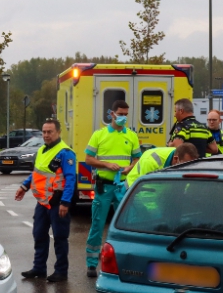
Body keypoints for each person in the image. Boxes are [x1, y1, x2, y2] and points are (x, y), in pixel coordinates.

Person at [84, 100, 142, 277]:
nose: (123, 117)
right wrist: (106, 165)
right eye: (121, 114)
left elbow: (137, 158)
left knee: (126, 224)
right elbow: (88, 159)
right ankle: (92, 263)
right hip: (103, 187)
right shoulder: (99, 135)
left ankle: (125, 260)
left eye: (126, 114)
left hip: (122, 186)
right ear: (112, 114)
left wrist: (130, 168)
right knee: (97, 224)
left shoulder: (131, 136)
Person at [15, 119, 77, 282]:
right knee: (39, 235)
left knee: (60, 237)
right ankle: (39, 268)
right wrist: (24, 186)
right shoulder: (42, 150)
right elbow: (37, 173)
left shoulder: (65, 152)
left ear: (58, 132)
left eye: (50, 132)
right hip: (42, 202)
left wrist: (65, 202)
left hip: (57, 202)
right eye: (44, 132)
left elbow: (70, 179)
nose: (46, 135)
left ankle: (61, 271)